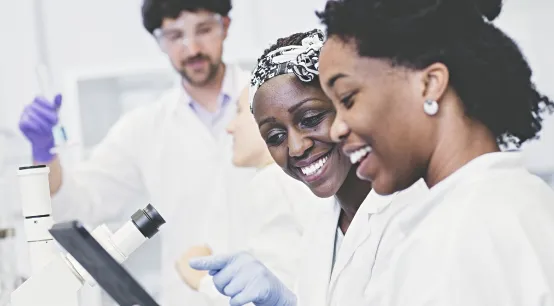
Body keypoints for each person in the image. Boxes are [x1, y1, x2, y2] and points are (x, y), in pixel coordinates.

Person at [316, 0, 554, 305]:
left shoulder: (458, 237)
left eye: (347, 99)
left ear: (429, 84)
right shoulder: (521, 198)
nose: (336, 129)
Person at [17, 0, 253, 305]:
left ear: (225, 26)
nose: (191, 47)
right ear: (159, 41)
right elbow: (76, 204)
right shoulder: (144, 127)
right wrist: (43, 152)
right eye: (174, 36)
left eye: (204, 30)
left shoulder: (270, 99)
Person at [190, 29, 429, 306]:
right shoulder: (321, 224)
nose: (296, 148)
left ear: (345, 105)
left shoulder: (411, 209)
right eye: (275, 137)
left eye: (311, 118)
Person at [176, 86, 326, 305]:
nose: (230, 127)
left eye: (239, 112)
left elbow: (271, 293)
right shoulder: (303, 180)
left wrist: (201, 281)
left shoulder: (271, 181)